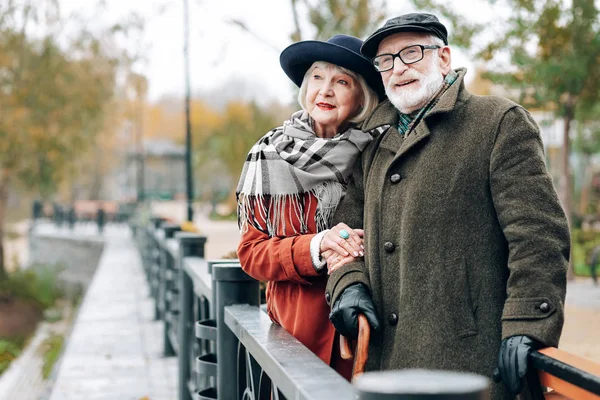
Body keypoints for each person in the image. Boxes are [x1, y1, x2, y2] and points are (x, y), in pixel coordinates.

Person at [319, 13, 570, 399]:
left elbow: (538, 236)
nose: (398, 68)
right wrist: (348, 284)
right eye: (385, 61)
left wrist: (526, 322)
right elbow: (343, 234)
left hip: (471, 367)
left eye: (412, 53)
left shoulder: (498, 122)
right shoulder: (371, 144)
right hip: (386, 371)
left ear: (444, 57)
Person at [236, 34, 384, 379]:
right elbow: (251, 254)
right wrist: (316, 246)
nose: (326, 90)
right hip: (295, 337)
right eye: (317, 77)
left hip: (367, 336)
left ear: (362, 95)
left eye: (342, 81)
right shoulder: (269, 153)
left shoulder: (380, 152)